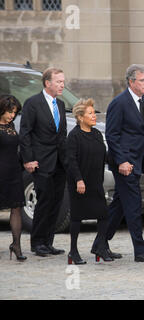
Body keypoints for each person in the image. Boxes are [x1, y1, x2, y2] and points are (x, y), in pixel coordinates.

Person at [93, 64, 144, 263]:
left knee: (120, 205)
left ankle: (100, 244)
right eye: (143, 80)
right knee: (133, 205)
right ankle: (140, 250)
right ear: (131, 82)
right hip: (124, 164)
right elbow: (112, 136)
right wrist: (122, 161)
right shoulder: (119, 103)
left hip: (138, 161)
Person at [19, 67, 67, 257]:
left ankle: (48, 242)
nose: (62, 85)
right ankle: (37, 242)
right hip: (40, 162)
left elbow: (61, 135)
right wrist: (28, 159)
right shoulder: (33, 103)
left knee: (56, 202)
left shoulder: (61, 105)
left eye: (63, 82)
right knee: (44, 200)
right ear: (48, 83)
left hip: (59, 163)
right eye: (58, 82)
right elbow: (25, 134)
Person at [66, 99, 112, 264]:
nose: (94, 116)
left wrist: (120, 163)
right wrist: (79, 180)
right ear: (80, 117)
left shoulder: (97, 134)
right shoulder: (74, 136)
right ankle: (73, 251)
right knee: (77, 218)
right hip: (79, 183)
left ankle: (100, 247)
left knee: (104, 215)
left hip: (95, 182)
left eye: (94, 113)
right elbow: (71, 161)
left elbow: (103, 156)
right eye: (90, 113)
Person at [0, 95, 26, 261]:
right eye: (9, 112)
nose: (12, 115)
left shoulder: (11, 126)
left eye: (14, 112)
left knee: (16, 208)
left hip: (14, 172)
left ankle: (16, 245)